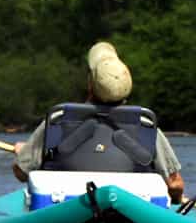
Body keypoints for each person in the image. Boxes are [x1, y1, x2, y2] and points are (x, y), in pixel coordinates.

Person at [11, 41, 185, 204]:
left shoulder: (59, 120)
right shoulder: (146, 127)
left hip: (67, 211)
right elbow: (175, 185)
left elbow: (21, 172)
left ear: (90, 85)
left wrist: (22, 153)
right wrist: (176, 200)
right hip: (128, 215)